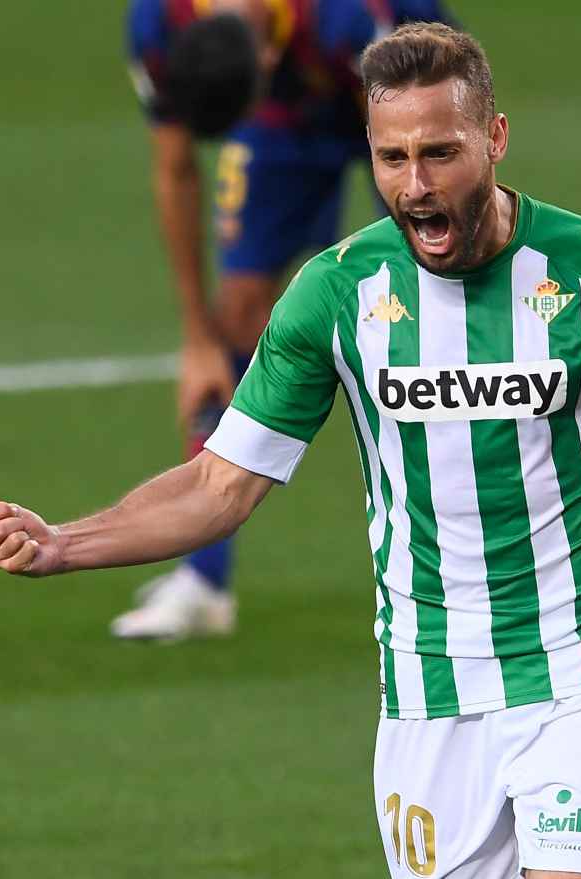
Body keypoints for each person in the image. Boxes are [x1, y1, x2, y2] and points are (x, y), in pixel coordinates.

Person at [0, 23, 581, 879]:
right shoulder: (335, 293)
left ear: (496, 138)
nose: (415, 186)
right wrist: (66, 542)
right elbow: (220, 486)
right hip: (428, 693)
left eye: (440, 154)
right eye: (392, 159)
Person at [116, 0, 450, 640]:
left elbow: (417, 166)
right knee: (237, 316)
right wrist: (197, 338)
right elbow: (176, 167)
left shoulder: (343, 21)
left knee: (444, 273)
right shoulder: (158, 23)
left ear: (268, 57)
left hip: (407, 90)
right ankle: (205, 582)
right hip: (295, 109)